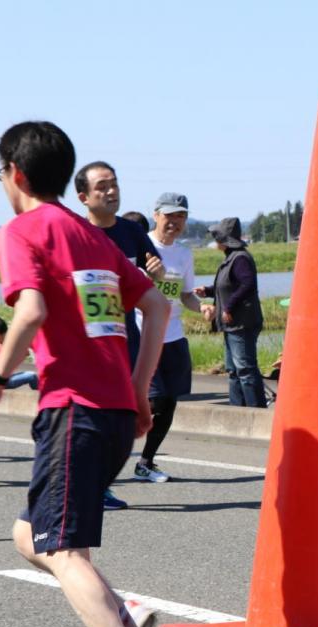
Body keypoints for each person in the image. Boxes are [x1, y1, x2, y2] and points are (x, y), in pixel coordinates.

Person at [0, 120, 169, 627]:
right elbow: (156, 306)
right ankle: (122, 614)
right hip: (111, 408)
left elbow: (28, 309)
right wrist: (138, 390)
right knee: (28, 533)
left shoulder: (23, 229)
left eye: (1, 173)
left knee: (60, 548)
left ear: (17, 174)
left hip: (72, 409)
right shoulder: (91, 236)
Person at [74, 161, 165, 509]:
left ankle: (99, 483)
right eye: (102, 186)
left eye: (114, 184)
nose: (111, 191)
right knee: (98, 418)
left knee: (125, 417)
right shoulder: (78, 234)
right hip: (87, 344)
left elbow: (151, 280)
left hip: (126, 336)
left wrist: (154, 273)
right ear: (83, 197)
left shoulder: (132, 232)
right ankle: (89, 486)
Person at [132, 193, 203, 482]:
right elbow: (129, 292)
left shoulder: (184, 254)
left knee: (170, 400)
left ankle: (146, 462)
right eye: (170, 215)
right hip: (142, 333)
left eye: (181, 216)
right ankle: (112, 450)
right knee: (155, 398)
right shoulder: (141, 246)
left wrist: (203, 308)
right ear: (156, 214)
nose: (175, 222)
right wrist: (153, 279)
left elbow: (185, 295)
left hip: (173, 336)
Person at [196, 218, 265, 407]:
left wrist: (228, 307)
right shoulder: (232, 257)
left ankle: (256, 411)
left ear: (223, 239)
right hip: (232, 324)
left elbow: (246, 285)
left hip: (241, 322)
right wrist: (208, 291)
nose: (215, 240)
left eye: (216, 236)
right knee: (234, 370)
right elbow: (228, 285)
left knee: (245, 369)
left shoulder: (240, 257)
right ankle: (237, 411)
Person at [0, 317, 38, 389]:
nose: (5, 336)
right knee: (32, 376)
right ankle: (39, 395)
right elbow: (25, 353)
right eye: (4, 334)